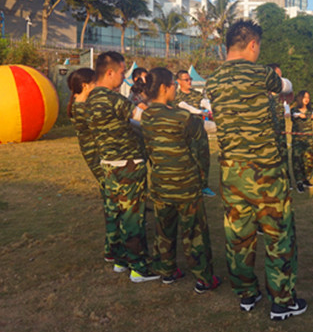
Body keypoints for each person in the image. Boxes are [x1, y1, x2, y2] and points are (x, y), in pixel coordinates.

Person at [204, 19, 306, 321]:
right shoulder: (262, 74)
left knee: (239, 236)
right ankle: (282, 301)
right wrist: (284, 86)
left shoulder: (212, 80)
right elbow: (285, 86)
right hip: (266, 172)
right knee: (278, 235)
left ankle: (246, 294)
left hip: (231, 171)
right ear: (252, 44)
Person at [140, 67, 221, 292]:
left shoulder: (146, 115)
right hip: (186, 185)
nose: (176, 88)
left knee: (164, 230)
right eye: (174, 85)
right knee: (194, 232)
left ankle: (166, 270)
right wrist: (202, 180)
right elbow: (201, 150)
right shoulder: (182, 117)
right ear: (164, 87)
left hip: (160, 183)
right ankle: (203, 278)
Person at [84, 50, 157, 281]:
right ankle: (138, 268)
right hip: (128, 165)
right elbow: (143, 117)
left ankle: (121, 260)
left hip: (109, 164)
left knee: (116, 213)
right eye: (122, 72)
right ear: (110, 72)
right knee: (133, 217)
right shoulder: (113, 99)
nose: (123, 77)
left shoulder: (91, 99)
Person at [67, 68, 113, 264]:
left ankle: (113, 246)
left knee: (110, 200)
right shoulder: (82, 108)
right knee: (112, 202)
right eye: (95, 83)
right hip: (97, 158)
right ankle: (113, 247)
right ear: (85, 86)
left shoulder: (80, 105)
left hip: (95, 156)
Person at [175, 68, 215, 197]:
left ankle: (204, 186)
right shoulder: (176, 96)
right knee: (188, 160)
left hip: (199, 131)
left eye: (190, 79)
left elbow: (205, 102)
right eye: (186, 80)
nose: (189, 82)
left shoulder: (196, 94)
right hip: (185, 134)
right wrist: (200, 112)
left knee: (204, 159)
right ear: (178, 81)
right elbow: (185, 107)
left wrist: (212, 108)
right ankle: (188, 186)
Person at [290, 90, 313, 193]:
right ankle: (299, 182)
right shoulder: (294, 110)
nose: (307, 99)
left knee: (309, 160)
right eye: (304, 97)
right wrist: (299, 115)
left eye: (308, 97)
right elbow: (294, 115)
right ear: (300, 98)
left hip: (308, 140)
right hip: (297, 140)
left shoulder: (311, 110)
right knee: (297, 160)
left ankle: (305, 179)